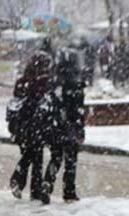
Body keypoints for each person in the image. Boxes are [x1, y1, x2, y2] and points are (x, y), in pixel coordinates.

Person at [7, 51, 60, 200]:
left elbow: (17, 99)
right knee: (35, 157)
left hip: (20, 127)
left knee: (29, 154)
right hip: (37, 126)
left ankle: (19, 181)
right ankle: (32, 189)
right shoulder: (43, 83)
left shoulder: (22, 81)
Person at [41, 48, 85, 204]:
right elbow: (79, 111)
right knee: (71, 161)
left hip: (55, 127)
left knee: (56, 158)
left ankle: (47, 182)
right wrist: (80, 131)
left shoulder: (54, 82)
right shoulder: (76, 84)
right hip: (70, 128)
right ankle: (69, 191)